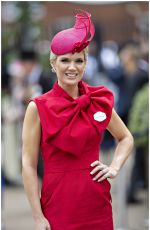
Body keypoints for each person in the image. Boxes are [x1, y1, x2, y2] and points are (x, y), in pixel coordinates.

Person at [22, 10, 134, 230]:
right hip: (58, 204)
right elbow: (28, 164)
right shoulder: (38, 107)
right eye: (65, 60)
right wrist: (37, 217)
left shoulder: (98, 100)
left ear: (85, 64)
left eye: (78, 61)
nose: (72, 67)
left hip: (97, 203)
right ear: (54, 64)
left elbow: (126, 138)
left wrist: (114, 167)